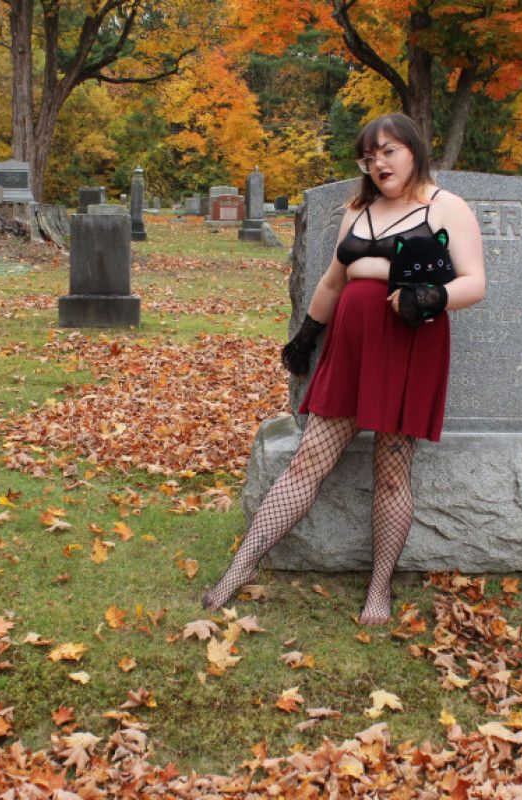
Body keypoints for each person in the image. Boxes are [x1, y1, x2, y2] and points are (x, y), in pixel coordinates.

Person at [203, 112, 486, 624]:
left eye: (388, 151)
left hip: (407, 347)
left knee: (393, 473)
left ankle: (379, 591)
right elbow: (334, 282)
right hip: (351, 347)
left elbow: (474, 282)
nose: (378, 163)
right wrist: (308, 334)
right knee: (309, 459)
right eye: (369, 156)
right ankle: (240, 568)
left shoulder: (448, 208)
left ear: (414, 150)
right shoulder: (359, 210)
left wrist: (430, 295)